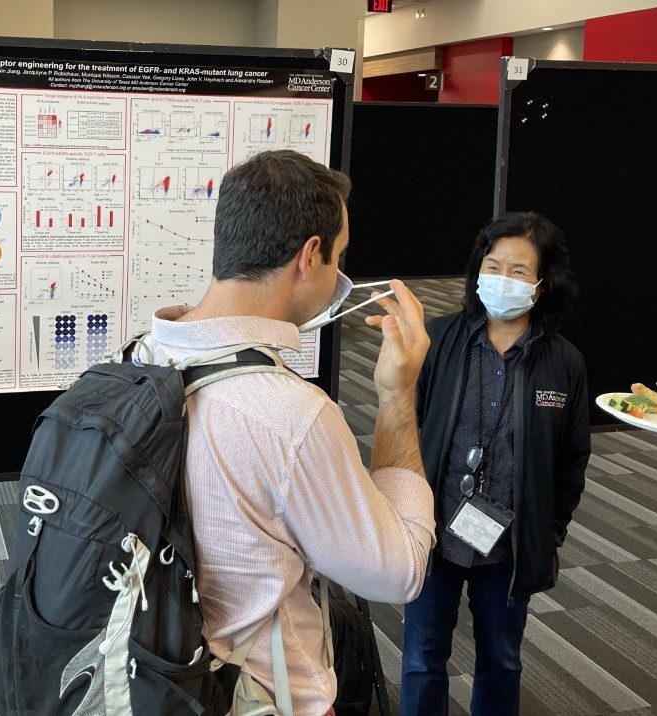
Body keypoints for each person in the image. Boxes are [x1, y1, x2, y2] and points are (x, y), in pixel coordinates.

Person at [139, 150, 436, 715]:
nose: (340, 278)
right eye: (338, 258)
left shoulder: (138, 358)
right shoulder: (291, 415)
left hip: (148, 672)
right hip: (256, 696)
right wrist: (398, 396)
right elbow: (399, 572)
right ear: (309, 256)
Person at [401, 212, 591, 715]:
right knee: (421, 660)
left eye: (519, 271)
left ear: (542, 285)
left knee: (501, 662)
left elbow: (572, 460)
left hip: (509, 547)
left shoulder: (563, 363)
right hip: (435, 534)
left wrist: (547, 532)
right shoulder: (439, 340)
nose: (502, 278)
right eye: (493, 265)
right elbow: (406, 426)